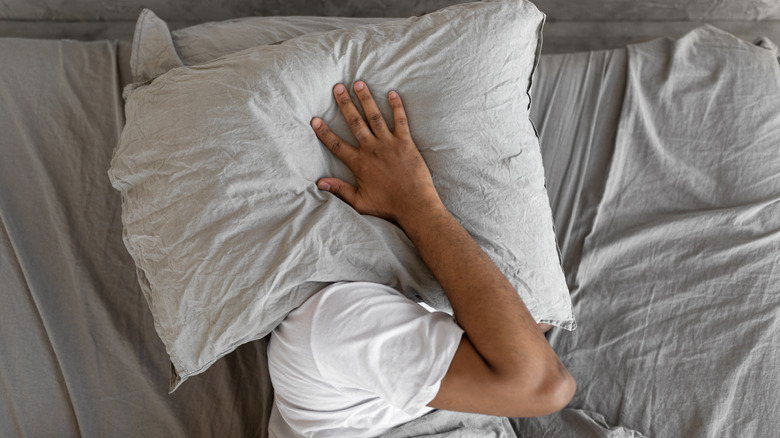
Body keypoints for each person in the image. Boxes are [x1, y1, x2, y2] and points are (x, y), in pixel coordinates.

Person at [267, 81, 576, 437]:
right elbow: (542, 385)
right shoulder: (336, 324)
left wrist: (416, 206)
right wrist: (416, 206)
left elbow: (530, 327)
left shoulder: (368, 319)